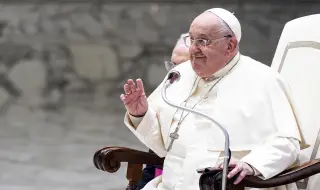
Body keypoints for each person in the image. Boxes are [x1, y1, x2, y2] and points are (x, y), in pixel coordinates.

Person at [120, 8, 306, 190]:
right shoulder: (180, 75)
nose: (193, 49)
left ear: (230, 45)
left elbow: (287, 143)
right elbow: (162, 146)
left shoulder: (264, 80)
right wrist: (141, 114)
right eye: (191, 40)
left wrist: (251, 165)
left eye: (203, 41)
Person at [136, 33, 190, 190]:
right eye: (173, 65)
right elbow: (153, 162)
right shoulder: (167, 95)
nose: (175, 74)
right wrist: (139, 114)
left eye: (184, 66)